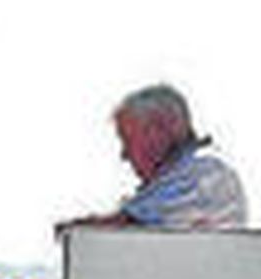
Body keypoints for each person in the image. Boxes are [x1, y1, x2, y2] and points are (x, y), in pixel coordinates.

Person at [61, 83, 247, 231]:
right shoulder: (185, 174)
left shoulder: (206, 171)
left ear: (162, 129)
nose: (124, 155)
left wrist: (77, 231)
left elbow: (128, 225)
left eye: (128, 141)